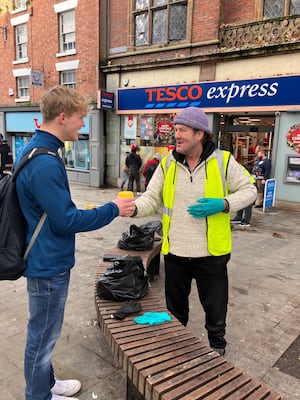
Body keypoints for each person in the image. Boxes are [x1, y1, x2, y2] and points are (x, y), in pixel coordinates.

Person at [14, 86, 136, 400]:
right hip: (47, 264)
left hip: (45, 258)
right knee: (42, 334)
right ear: (63, 117)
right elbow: (67, 220)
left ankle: (46, 383)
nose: (83, 125)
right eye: (81, 118)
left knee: (44, 332)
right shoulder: (44, 163)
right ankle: (38, 395)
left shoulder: (39, 150)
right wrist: (113, 208)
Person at [131, 107, 257, 356]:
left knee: (215, 308)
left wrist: (223, 204)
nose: (176, 135)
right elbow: (151, 199)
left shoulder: (223, 161)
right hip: (176, 252)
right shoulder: (167, 164)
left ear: (200, 134)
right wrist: (131, 209)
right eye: (175, 129)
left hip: (212, 254)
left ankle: (217, 348)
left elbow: (250, 190)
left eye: (182, 130)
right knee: (175, 309)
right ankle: (178, 349)